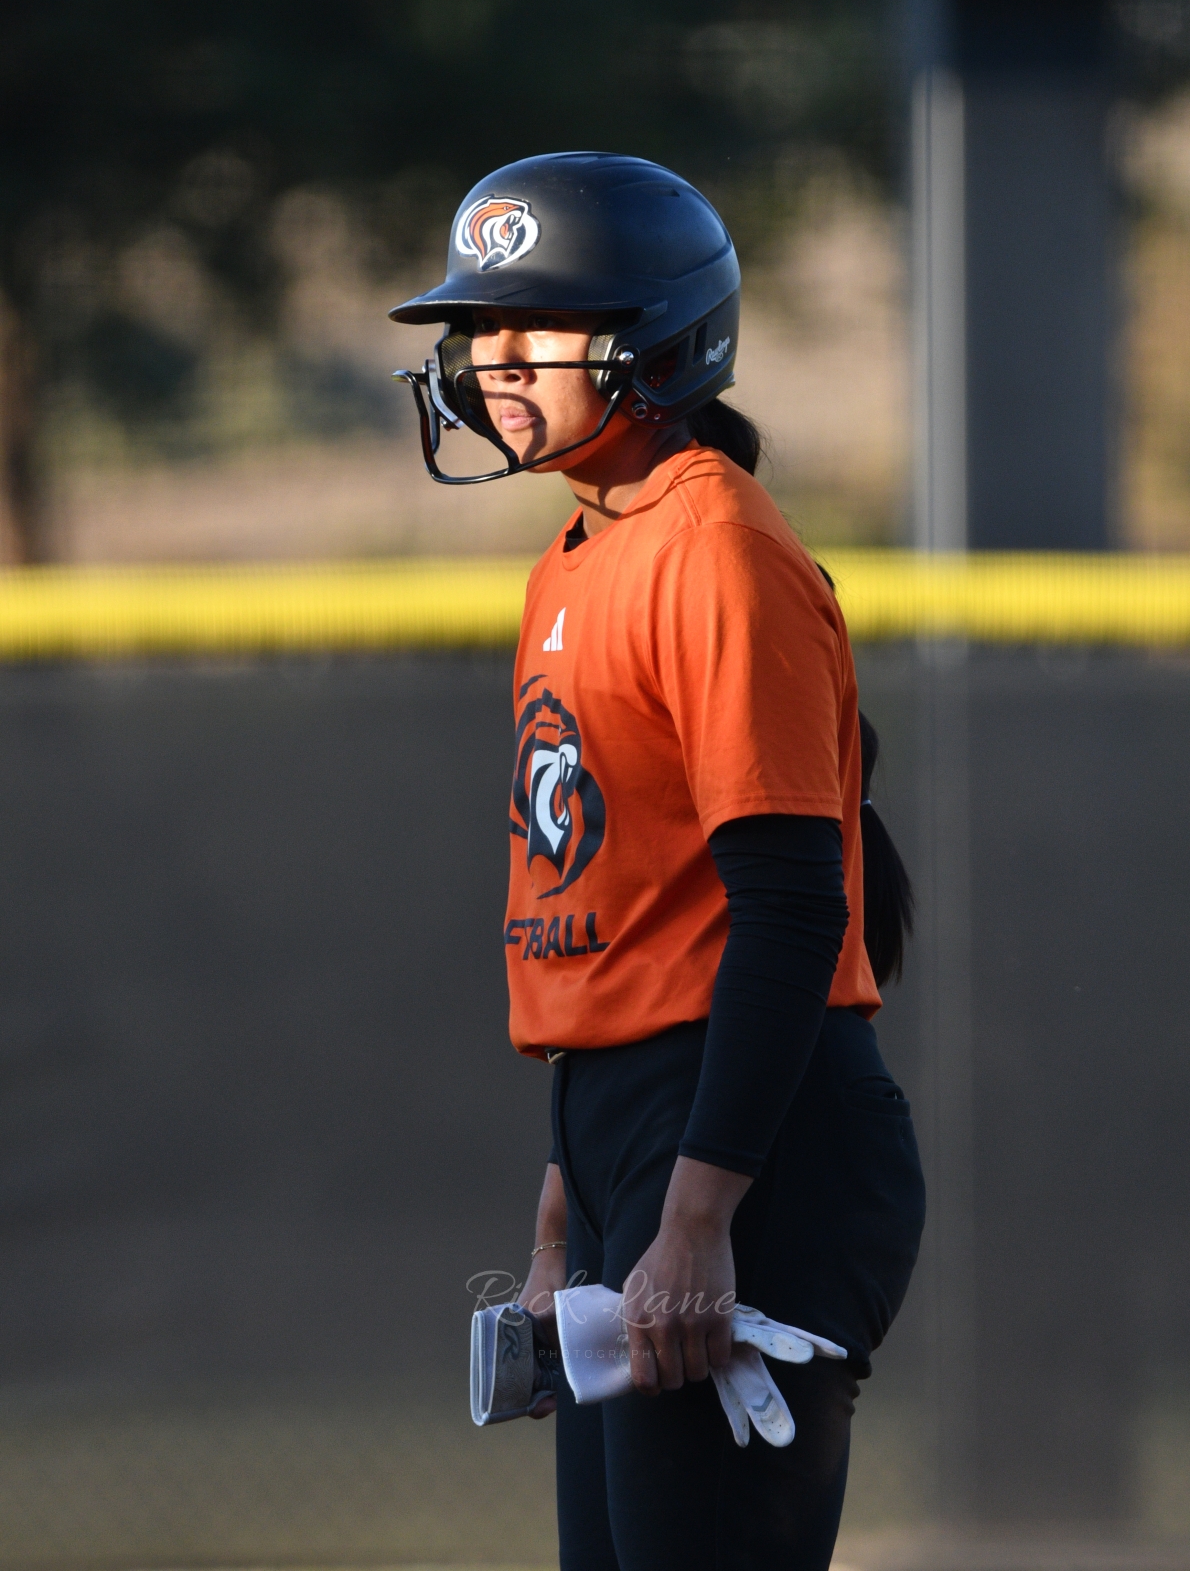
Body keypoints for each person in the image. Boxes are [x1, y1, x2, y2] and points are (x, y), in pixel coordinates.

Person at [390, 152, 925, 1571]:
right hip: (641, 1139)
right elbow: (622, 931)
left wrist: (694, 1218)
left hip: (758, 1150)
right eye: (475, 332)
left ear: (648, 338)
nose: (484, 361)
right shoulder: (577, 555)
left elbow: (793, 907)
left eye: (526, 327)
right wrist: (575, 1204)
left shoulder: (716, 549)